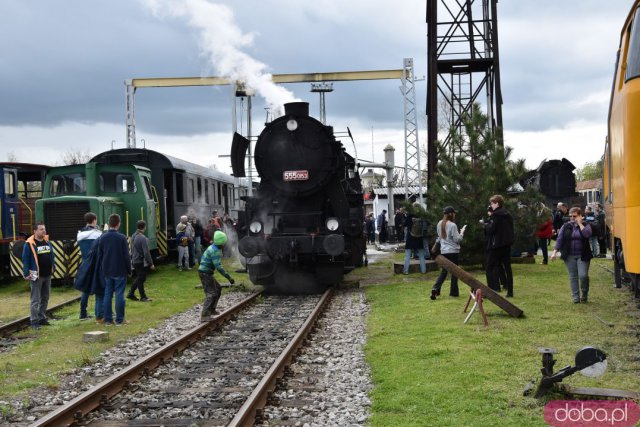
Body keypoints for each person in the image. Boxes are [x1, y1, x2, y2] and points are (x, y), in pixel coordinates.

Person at [551, 207, 593, 303]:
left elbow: (587, 234)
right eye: (571, 216)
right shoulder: (566, 226)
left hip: (583, 255)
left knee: (583, 276)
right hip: (569, 256)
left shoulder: (586, 225)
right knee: (573, 276)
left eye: (575, 216)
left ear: (580, 216)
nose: (572, 218)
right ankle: (575, 297)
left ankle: (584, 293)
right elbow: (560, 239)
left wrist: (580, 224)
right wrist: (554, 252)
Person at [97, 214, 132, 326]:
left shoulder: (102, 237)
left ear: (109, 223)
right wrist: (129, 269)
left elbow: (100, 255)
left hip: (107, 270)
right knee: (119, 295)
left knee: (108, 295)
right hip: (120, 270)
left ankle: (108, 320)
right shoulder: (122, 238)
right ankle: (120, 319)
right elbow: (126, 256)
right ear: (118, 223)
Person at [22, 222, 55, 329]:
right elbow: (25, 260)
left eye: (44, 229)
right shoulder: (29, 244)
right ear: (35, 231)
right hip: (37, 276)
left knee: (45, 298)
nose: (44, 231)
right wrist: (26, 273)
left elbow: (52, 256)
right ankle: (34, 321)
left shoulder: (47, 241)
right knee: (35, 300)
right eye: (41, 229)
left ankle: (42, 318)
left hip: (47, 275)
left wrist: (53, 267)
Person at [198, 230, 235, 321]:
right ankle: (205, 315)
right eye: (224, 242)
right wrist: (229, 277)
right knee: (211, 293)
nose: (225, 244)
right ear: (221, 243)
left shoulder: (213, 247)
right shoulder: (215, 251)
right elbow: (218, 267)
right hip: (205, 273)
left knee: (218, 288)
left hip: (206, 272)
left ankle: (212, 309)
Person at [431, 206, 465, 300]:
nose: (455, 215)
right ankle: (453, 292)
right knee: (455, 272)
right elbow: (457, 239)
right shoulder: (453, 225)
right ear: (451, 214)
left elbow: (439, 237)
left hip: (444, 251)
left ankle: (436, 288)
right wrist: (462, 233)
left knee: (444, 271)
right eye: (454, 213)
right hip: (453, 251)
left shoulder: (439, 223)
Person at [484, 194, 514, 297]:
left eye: (492, 203)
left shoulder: (495, 215)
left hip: (496, 245)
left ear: (497, 203)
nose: (491, 205)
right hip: (506, 245)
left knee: (490, 266)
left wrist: (486, 225)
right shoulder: (508, 214)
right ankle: (510, 291)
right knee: (507, 268)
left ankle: (491, 289)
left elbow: (491, 230)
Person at [76, 212, 103, 320]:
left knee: (85, 290)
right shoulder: (98, 234)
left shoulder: (80, 234)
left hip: (85, 263)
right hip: (97, 263)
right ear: (94, 220)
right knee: (100, 288)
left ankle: (83, 313)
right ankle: (100, 312)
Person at [127, 220, 155, 302]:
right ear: (144, 227)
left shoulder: (134, 236)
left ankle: (131, 293)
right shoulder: (142, 238)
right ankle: (143, 297)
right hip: (140, 261)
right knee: (141, 279)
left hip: (135, 260)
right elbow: (146, 252)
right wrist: (151, 263)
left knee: (140, 277)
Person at [403, 204, 427, 275]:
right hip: (419, 238)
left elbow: (404, 224)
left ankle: (406, 271)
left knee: (407, 255)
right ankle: (423, 270)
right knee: (421, 256)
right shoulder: (422, 216)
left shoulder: (410, 216)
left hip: (410, 238)